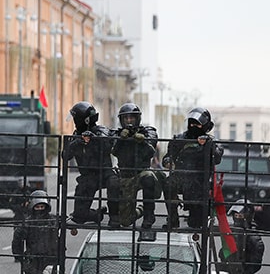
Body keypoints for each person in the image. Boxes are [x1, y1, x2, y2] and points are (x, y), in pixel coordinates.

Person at [162, 107, 223, 229]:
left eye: (198, 125)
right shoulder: (180, 139)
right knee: (168, 183)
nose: (194, 126)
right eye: (192, 123)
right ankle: (173, 219)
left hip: (200, 181)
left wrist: (208, 145)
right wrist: (168, 162)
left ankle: (197, 216)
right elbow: (167, 158)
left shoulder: (211, 142)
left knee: (195, 224)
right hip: (181, 177)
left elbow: (217, 158)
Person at [110, 103, 160, 238]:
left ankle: (149, 215)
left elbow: (151, 152)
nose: (129, 121)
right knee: (126, 221)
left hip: (141, 174)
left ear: (137, 119)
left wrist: (142, 141)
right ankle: (140, 210)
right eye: (126, 119)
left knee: (148, 177)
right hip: (126, 176)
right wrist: (121, 139)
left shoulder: (148, 132)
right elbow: (114, 151)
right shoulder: (117, 133)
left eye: (131, 118)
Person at [62, 101, 115, 224]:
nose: (74, 121)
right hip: (88, 176)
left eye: (76, 118)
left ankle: (115, 216)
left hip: (105, 173)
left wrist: (94, 139)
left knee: (115, 184)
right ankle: (96, 215)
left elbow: (108, 144)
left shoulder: (101, 130)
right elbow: (65, 156)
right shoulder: (76, 136)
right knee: (79, 217)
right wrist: (77, 143)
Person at [11, 190, 61, 274]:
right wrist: (21, 259)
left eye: (42, 207)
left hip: (51, 261)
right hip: (34, 262)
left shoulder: (53, 220)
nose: (40, 209)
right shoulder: (28, 223)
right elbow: (17, 241)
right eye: (37, 207)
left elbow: (67, 222)